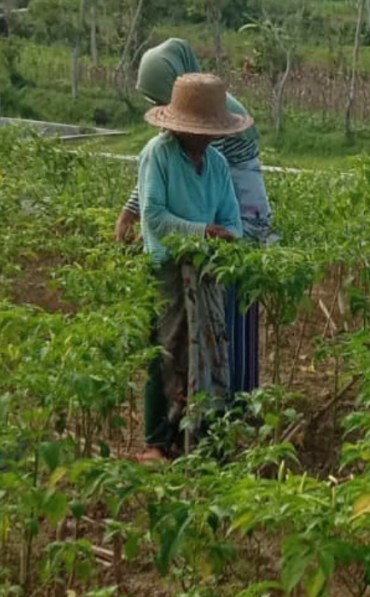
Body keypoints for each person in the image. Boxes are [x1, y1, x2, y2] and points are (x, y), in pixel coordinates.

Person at [114, 38, 275, 397]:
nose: (163, 112)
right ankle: (201, 412)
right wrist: (132, 213)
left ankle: (231, 403)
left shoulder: (212, 121)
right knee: (182, 338)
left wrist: (213, 233)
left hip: (236, 229)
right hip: (204, 237)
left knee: (225, 323)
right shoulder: (180, 127)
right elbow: (161, 175)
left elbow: (213, 192)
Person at [136, 73, 248, 462]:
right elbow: (153, 215)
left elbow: (233, 221)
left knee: (208, 349)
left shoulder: (216, 164)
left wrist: (225, 238)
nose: (207, 137)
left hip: (205, 270)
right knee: (167, 349)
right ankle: (156, 439)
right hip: (167, 267)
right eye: (201, 130)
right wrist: (202, 232)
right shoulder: (158, 154)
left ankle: (198, 433)